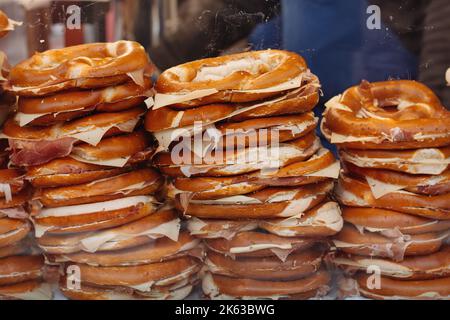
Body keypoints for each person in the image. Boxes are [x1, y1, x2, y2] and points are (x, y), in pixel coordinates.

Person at [148, 0, 450, 107]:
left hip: (390, 126)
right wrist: (159, 59)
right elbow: (234, 8)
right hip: (294, 125)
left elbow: (443, 27)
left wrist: (437, 104)